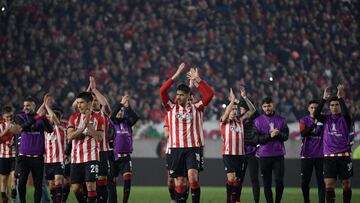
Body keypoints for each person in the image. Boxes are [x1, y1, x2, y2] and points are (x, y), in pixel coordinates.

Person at [159, 63, 214, 203]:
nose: (178, 98)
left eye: (181, 95)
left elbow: (209, 94)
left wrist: (198, 80)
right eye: (177, 95)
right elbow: (162, 91)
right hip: (175, 148)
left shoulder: (197, 107)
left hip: (192, 148)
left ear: (188, 95)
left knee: (193, 177)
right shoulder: (171, 108)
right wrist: (176, 75)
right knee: (180, 182)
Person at [313, 85, 353, 203]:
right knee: (329, 185)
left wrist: (340, 98)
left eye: (336, 105)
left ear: (340, 106)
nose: (334, 107)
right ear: (329, 107)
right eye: (332, 105)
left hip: (344, 156)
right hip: (329, 158)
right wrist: (324, 99)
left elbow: (346, 114)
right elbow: (315, 115)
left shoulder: (345, 118)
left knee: (346, 185)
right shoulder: (325, 118)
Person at [15, 96, 54, 203]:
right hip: (23, 157)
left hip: (38, 157)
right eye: (24, 105)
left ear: (34, 106)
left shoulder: (41, 117)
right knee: (22, 182)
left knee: (38, 184)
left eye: (28, 105)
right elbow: (23, 127)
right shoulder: (20, 117)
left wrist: (44, 117)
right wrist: (38, 117)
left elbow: (50, 130)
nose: (25, 108)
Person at [67, 92, 104, 203]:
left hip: (92, 157)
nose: (79, 105)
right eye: (77, 103)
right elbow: (69, 136)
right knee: (75, 188)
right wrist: (82, 128)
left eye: (81, 102)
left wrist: (89, 125)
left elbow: (99, 138)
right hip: (76, 158)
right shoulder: (73, 118)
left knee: (90, 185)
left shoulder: (98, 118)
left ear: (89, 103)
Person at [253, 97, 289, 203]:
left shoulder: (281, 120)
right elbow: (255, 139)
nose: (267, 108)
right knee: (267, 183)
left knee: (279, 181)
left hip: (278, 155)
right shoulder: (257, 121)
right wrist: (270, 135)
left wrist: (277, 135)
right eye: (265, 106)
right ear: (262, 107)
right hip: (264, 156)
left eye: (269, 105)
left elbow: (286, 136)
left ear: (273, 105)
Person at [109, 94, 139, 203]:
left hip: (126, 157)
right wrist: (121, 103)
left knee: (127, 179)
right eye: (119, 110)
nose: (120, 112)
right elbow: (111, 115)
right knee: (112, 182)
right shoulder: (111, 123)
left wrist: (127, 107)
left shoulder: (127, 122)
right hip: (114, 157)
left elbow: (135, 118)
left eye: (122, 111)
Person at [37, 95, 67, 203]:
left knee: (58, 182)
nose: (49, 118)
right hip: (48, 161)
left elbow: (53, 117)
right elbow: (38, 114)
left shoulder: (60, 128)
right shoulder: (45, 130)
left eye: (50, 117)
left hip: (59, 160)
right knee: (52, 185)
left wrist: (47, 106)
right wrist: (43, 102)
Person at [87, 76, 112, 203]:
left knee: (102, 180)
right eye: (93, 101)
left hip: (102, 151)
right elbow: (78, 102)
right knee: (89, 183)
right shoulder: (84, 115)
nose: (96, 102)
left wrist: (95, 89)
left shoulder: (104, 114)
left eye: (97, 101)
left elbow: (106, 104)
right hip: (88, 152)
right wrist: (89, 89)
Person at [299, 100, 325, 203]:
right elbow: (303, 133)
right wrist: (314, 124)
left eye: (316, 108)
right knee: (305, 182)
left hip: (321, 155)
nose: (314, 109)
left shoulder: (324, 120)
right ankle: (306, 201)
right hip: (307, 155)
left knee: (321, 182)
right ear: (308, 109)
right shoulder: (303, 120)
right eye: (312, 107)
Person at [237, 88, 260, 203]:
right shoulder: (237, 120)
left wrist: (245, 97)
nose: (243, 111)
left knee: (254, 178)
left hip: (252, 152)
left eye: (244, 109)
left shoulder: (254, 119)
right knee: (239, 179)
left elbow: (253, 110)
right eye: (241, 108)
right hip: (240, 152)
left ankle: (256, 201)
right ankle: (237, 200)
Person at [0, 106, 21, 203]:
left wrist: (15, 142)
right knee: (4, 180)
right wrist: (6, 129)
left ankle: (13, 197)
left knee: (14, 178)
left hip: (14, 156)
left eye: (11, 116)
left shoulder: (16, 126)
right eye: (7, 117)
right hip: (3, 156)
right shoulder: (0, 126)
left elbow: (20, 137)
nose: (9, 118)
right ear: (3, 116)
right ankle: (4, 199)